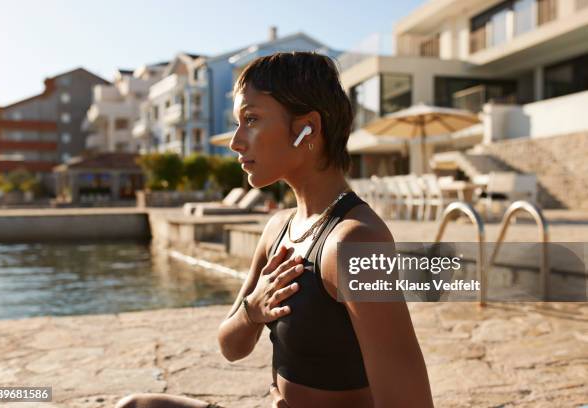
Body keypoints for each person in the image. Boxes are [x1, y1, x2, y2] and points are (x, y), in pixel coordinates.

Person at [115, 52, 433, 408]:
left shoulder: (356, 241)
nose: (236, 142)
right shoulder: (278, 228)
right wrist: (253, 308)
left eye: (251, 119)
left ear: (306, 129)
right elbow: (231, 347)